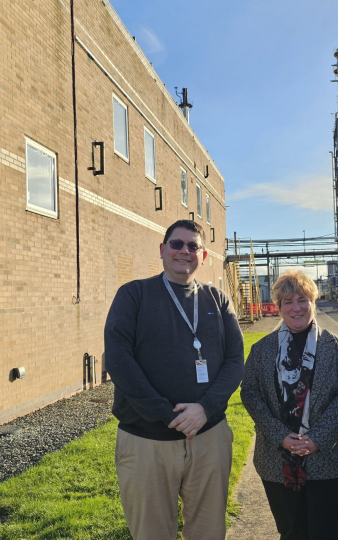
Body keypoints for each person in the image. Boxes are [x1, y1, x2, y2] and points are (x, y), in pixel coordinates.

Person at [104, 219, 244, 540]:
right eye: (177, 244)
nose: (184, 251)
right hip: (147, 442)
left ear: (203, 256)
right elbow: (118, 359)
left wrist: (205, 409)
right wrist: (168, 415)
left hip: (209, 439)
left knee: (209, 532)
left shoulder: (218, 300)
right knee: (152, 533)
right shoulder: (134, 295)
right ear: (162, 249)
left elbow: (236, 360)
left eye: (193, 246)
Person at [241, 269, 338, 540]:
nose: (296, 308)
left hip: (331, 460)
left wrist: (316, 439)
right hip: (278, 462)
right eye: (288, 302)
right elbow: (249, 392)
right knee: (292, 533)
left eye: (302, 299)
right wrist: (280, 435)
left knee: (330, 533)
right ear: (279, 307)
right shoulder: (262, 350)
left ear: (313, 301)